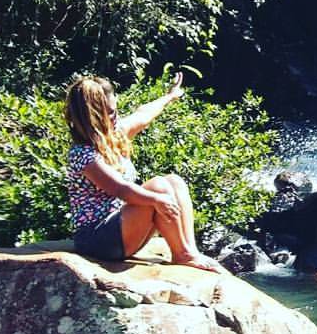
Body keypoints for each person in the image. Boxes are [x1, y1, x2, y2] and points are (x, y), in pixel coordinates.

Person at [64, 72, 226, 273]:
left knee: (174, 181)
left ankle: (189, 251)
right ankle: (183, 255)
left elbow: (143, 114)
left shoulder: (115, 135)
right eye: (110, 113)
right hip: (97, 240)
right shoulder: (83, 154)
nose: (116, 118)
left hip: (122, 229)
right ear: (92, 117)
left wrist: (170, 96)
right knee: (157, 187)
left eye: (116, 111)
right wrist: (157, 200)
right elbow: (121, 189)